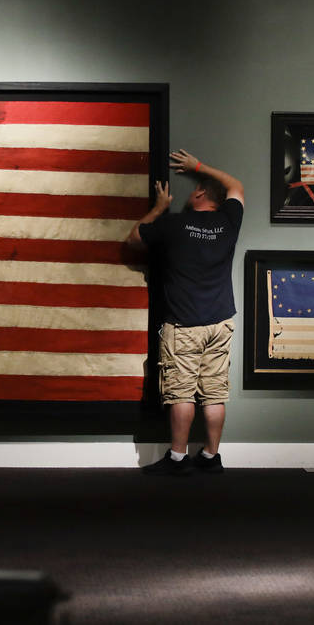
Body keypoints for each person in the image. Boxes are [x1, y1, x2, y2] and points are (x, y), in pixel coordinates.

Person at [126, 149, 245, 475]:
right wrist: (198, 166)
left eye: (197, 185)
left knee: (181, 391)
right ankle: (210, 456)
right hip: (221, 322)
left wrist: (159, 207)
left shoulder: (174, 224)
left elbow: (134, 239)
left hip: (185, 324)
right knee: (215, 393)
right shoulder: (229, 222)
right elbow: (236, 185)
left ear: (201, 193)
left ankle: (178, 458)